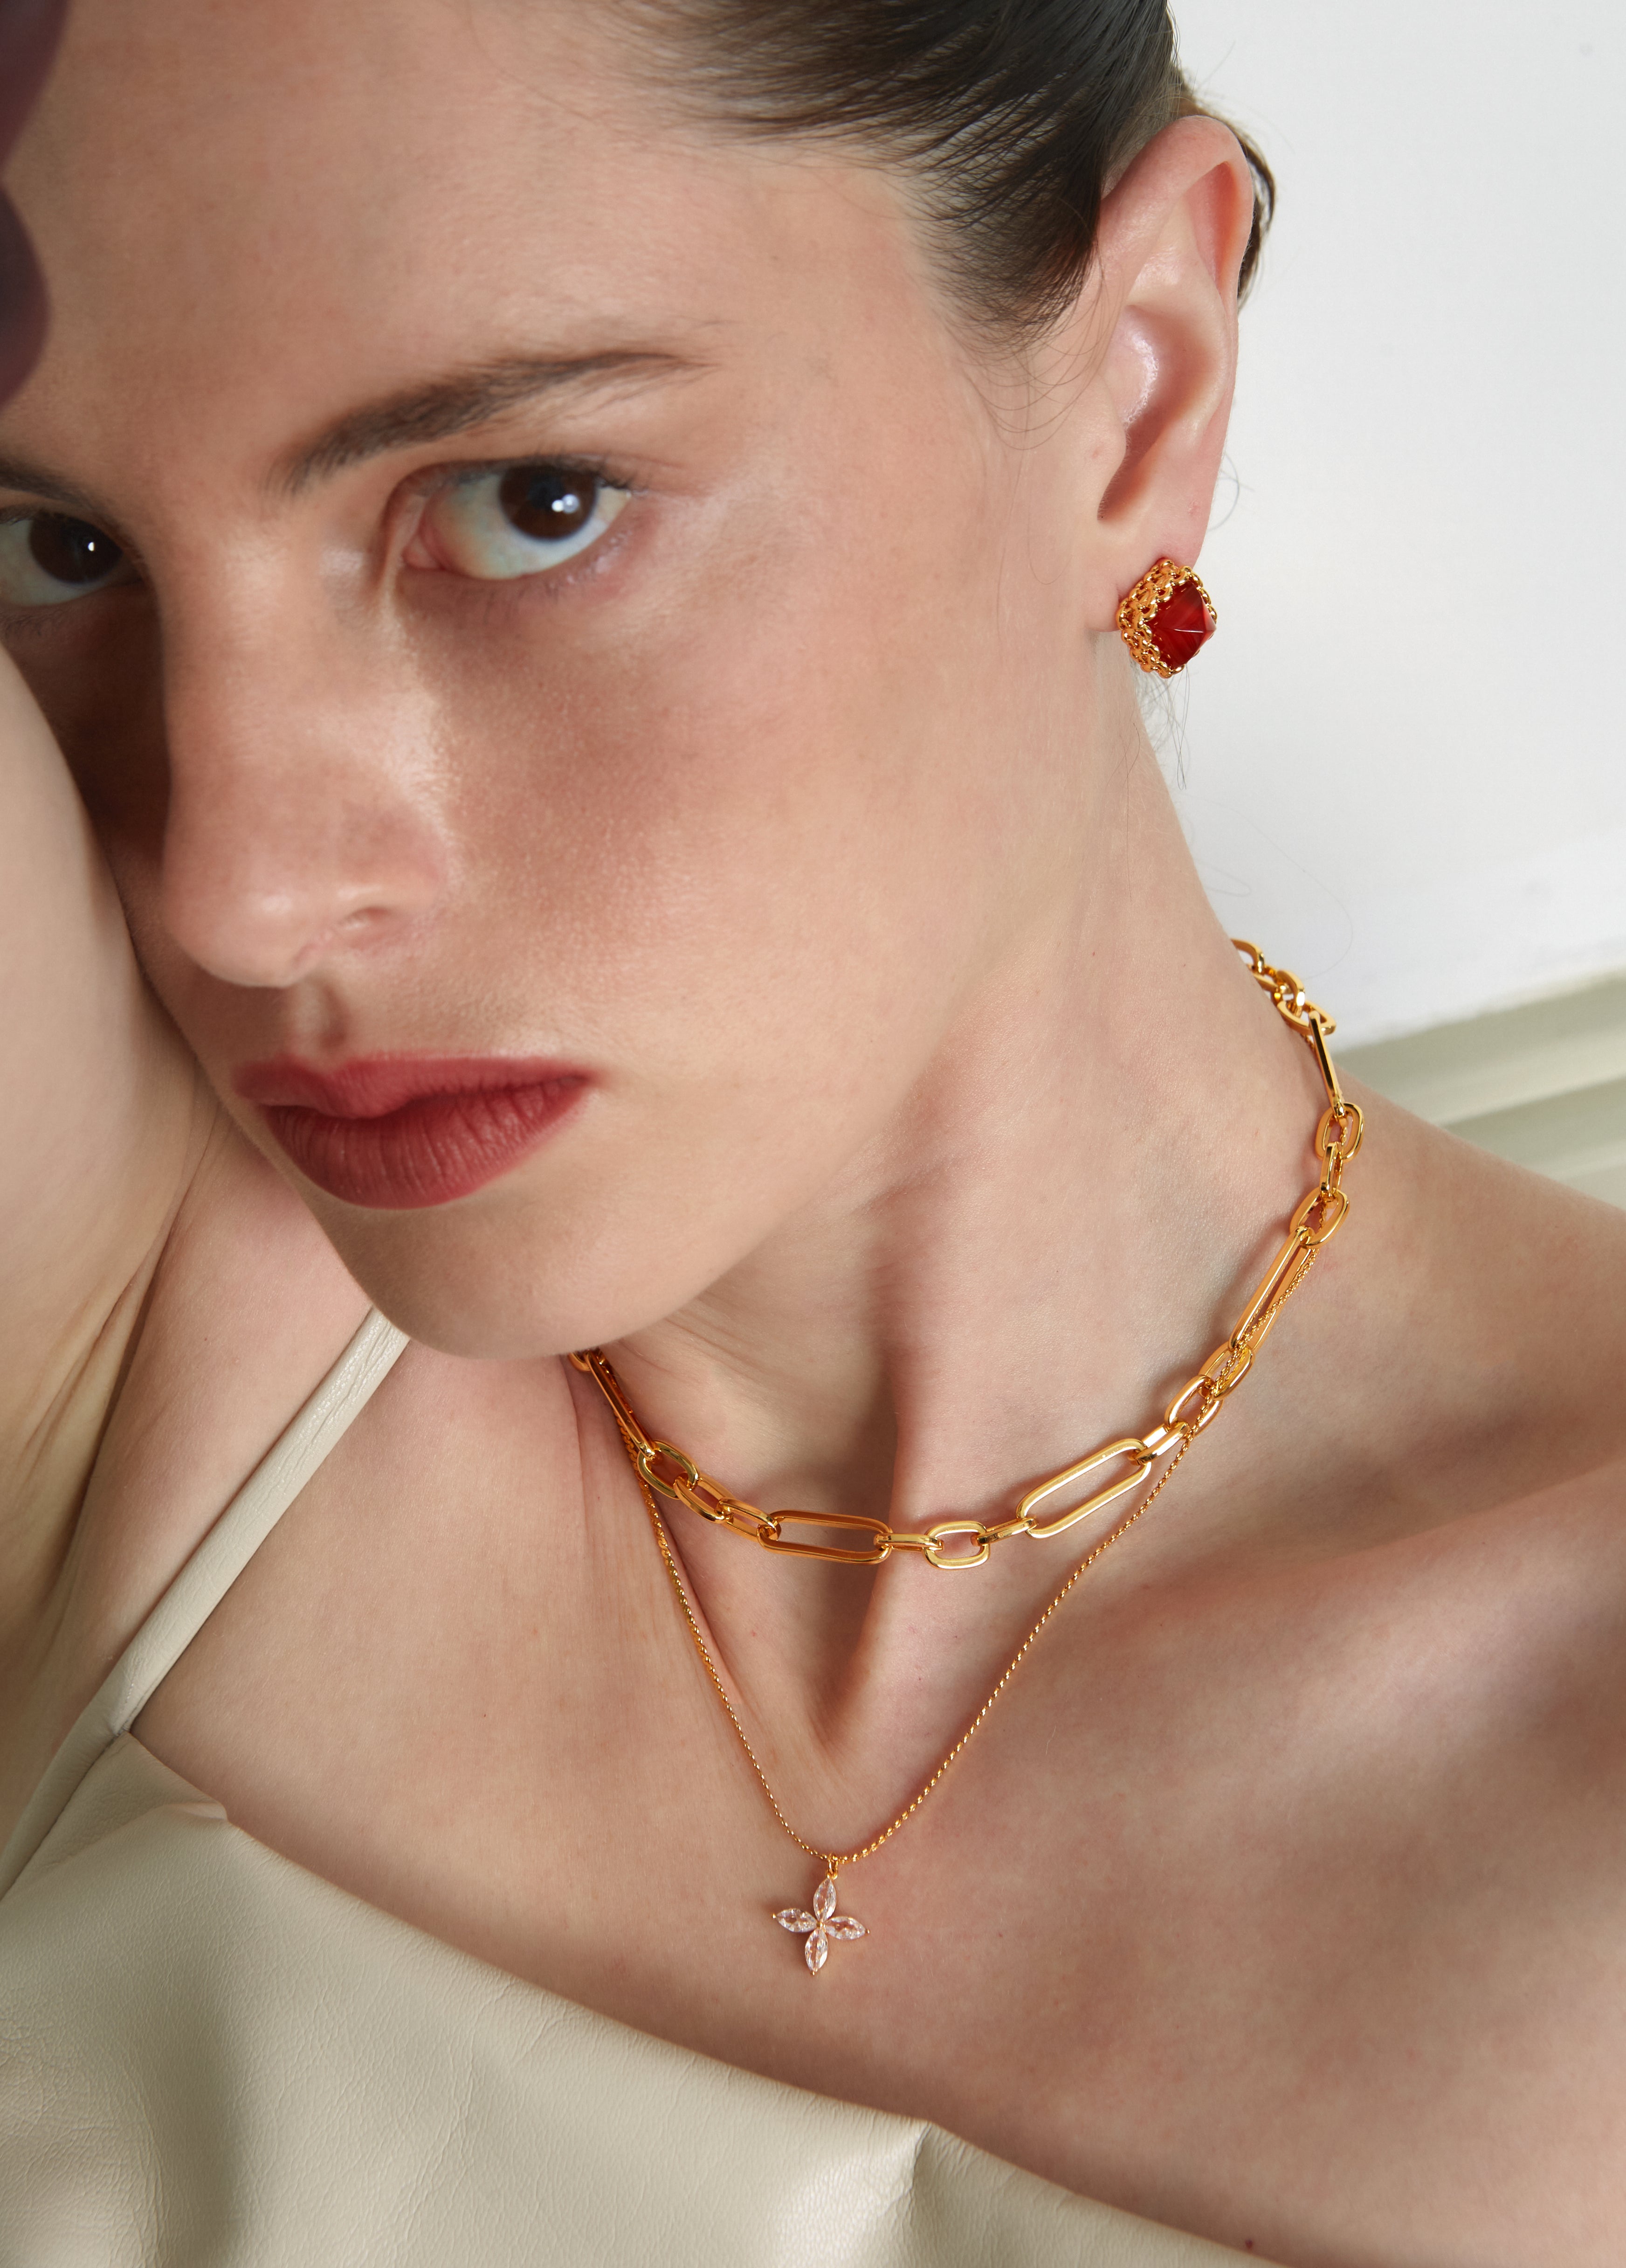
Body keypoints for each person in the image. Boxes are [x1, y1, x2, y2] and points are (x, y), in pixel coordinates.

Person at [1, 2, 1623, 2261]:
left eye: (527, 500)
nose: (234, 890)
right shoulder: (121, 1303)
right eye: (56, 548)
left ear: (1137, 390)